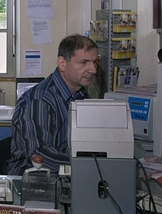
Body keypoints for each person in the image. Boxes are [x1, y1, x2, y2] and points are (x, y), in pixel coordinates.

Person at [6, 34, 98, 175]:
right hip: (34, 180)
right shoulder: (38, 100)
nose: (93, 70)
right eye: (84, 62)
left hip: (67, 175)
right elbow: (40, 156)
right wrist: (92, 166)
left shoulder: (81, 96)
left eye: (95, 62)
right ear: (62, 64)